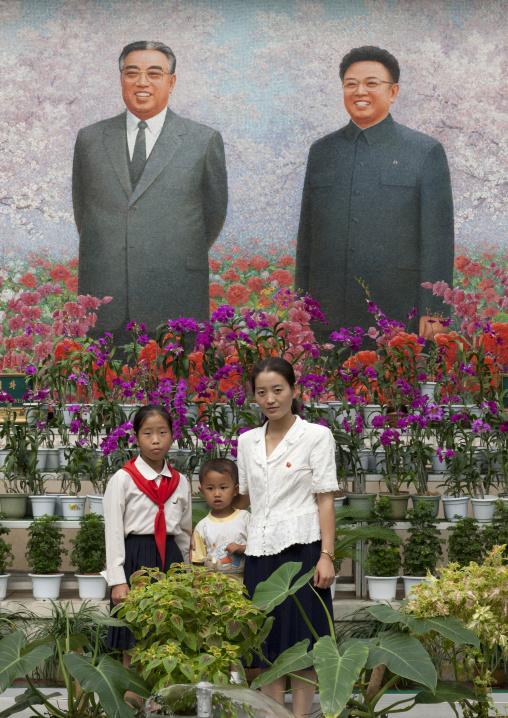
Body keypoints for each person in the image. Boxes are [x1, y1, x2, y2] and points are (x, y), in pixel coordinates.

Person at [73, 40, 228, 346]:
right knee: (103, 391)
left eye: (154, 73)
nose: (141, 82)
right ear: (121, 79)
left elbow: (213, 216)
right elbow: (85, 214)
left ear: (171, 82)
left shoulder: (203, 139)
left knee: (177, 390)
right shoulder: (90, 139)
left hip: (176, 299)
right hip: (106, 303)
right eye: (132, 73)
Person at [296, 45, 454, 339]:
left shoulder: (424, 151)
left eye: (372, 83)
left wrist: (436, 313)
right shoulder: (322, 151)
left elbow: (438, 242)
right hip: (326, 315)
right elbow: (307, 237)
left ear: (393, 92)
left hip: (397, 314)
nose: (360, 92)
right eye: (350, 84)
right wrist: (299, 309)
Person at [236, 357, 338, 718]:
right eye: (261, 392)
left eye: (278, 390)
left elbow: (325, 498)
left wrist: (327, 555)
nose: (270, 399)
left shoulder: (316, 436)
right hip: (260, 552)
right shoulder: (246, 441)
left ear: (295, 391)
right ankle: (273, 714)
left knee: (304, 643)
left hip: (304, 549)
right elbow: (245, 498)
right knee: (266, 642)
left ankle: (299, 717)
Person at [102, 403, 191, 686]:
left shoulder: (181, 481)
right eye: (148, 433)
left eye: (162, 432)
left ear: (172, 435)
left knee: (167, 637)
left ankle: (162, 703)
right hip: (137, 560)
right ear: (136, 438)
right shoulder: (123, 479)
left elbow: (185, 531)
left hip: (171, 560)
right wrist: (118, 580)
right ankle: (133, 704)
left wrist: (186, 572)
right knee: (135, 639)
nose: (155, 440)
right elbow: (114, 531)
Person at [192, 458, 250, 580]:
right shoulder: (202, 527)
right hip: (213, 589)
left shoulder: (246, 519)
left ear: (235, 490)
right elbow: (198, 564)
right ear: (202, 491)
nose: (217, 493)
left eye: (223, 488)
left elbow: (260, 546)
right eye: (210, 488)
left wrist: (242, 548)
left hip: (245, 586)